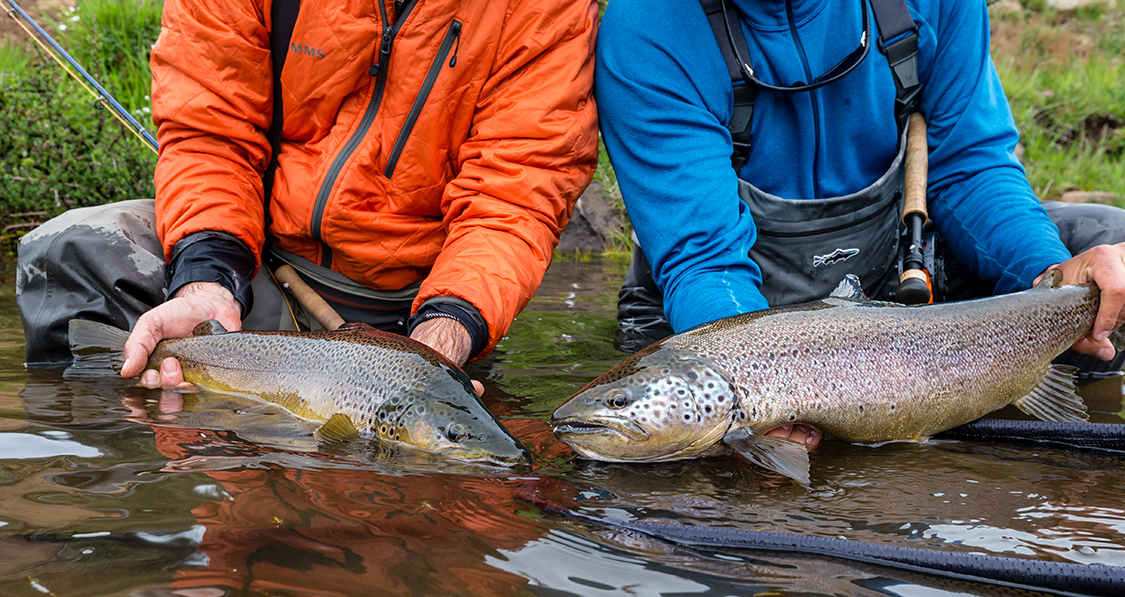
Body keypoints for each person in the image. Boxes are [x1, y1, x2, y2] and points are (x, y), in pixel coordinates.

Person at [595, 0, 1125, 447]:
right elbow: (704, 258)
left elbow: (969, 169)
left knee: (1110, 256)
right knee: (698, 449)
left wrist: (1050, 277)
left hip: (898, 267)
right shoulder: (647, 27)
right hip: (726, 309)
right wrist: (756, 396)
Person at [17, 0, 599, 391]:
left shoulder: (549, 10)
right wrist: (206, 280)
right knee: (66, 249)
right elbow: (211, 134)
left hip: (416, 309)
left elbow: (515, 196)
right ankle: (117, 513)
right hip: (255, 270)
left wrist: (443, 337)